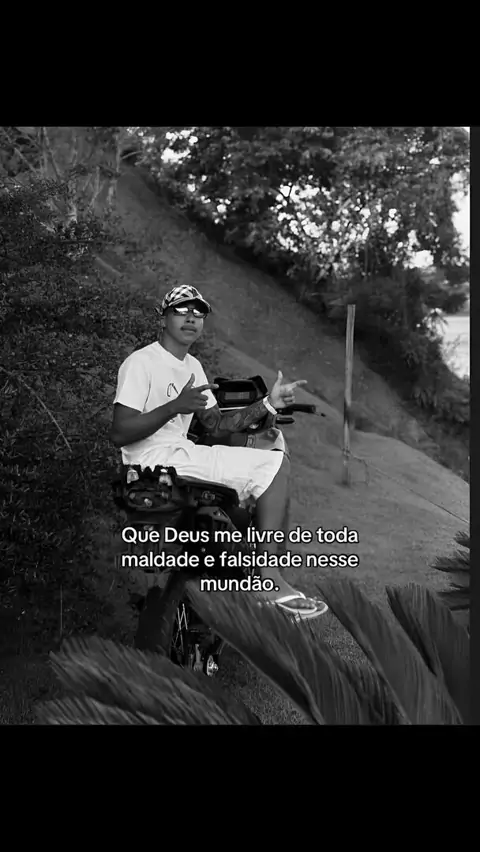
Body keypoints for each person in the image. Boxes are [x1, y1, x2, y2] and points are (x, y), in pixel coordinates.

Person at [111, 284, 327, 620]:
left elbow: (216, 426)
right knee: (272, 466)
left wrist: (268, 404)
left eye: (198, 312)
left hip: (182, 454)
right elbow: (120, 433)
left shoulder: (192, 366)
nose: (191, 317)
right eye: (181, 310)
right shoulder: (141, 363)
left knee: (269, 462)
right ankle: (268, 580)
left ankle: (239, 574)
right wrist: (174, 407)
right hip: (153, 461)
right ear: (163, 318)